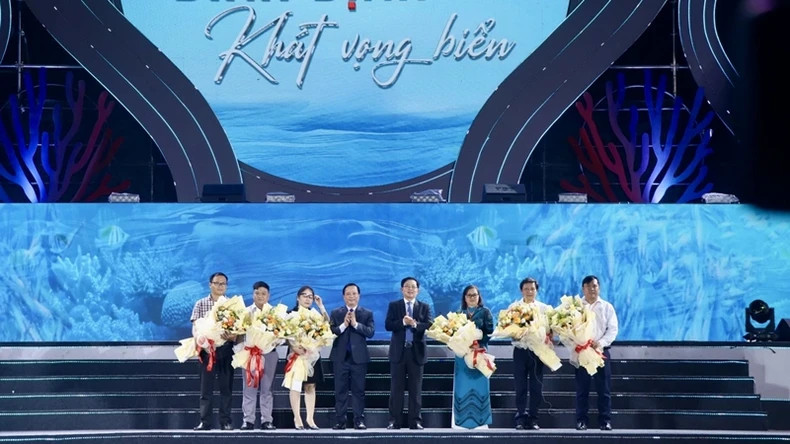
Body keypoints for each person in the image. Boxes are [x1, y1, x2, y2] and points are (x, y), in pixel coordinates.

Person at [385, 277, 433, 430]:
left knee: (415, 390)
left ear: (418, 290)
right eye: (407, 287)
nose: (410, 289)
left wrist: (414, 324)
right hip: (398, 352)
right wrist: (402, 322)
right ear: (402, 289)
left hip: (416, 352)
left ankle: (415, 421)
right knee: (396, 389)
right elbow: (388, 325)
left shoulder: (424, 307)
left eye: (413, 287)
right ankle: (394, 421)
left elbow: (430, 324)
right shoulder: (394, 306)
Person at [191, 272, 237, 431]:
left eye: (223, 284)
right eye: (217, 283)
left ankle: (225, 421)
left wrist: (232, 336)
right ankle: (205, 422)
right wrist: (201, 340)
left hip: (226, 349)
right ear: (210, 284)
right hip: (206, 350)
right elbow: (195, 327)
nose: (220, 286)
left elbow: (238, 328)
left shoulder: (232, 304)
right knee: (206, 389)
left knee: (226, 388)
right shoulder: (200, 303)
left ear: (226, 286)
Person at [575, 275, 619, 431]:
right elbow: (568, 329)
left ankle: (605, 421)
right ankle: (581, 421)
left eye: (594, 286)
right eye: (588, 286)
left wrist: (600, 343)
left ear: (598, 287)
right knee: (582, 389)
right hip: (582, 352)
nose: (591, 289)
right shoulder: (575, 307)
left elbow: (612, 330)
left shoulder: (607, 307)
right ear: (583, 289)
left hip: (601, 352)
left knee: (604, 389)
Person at [329, 283, 375, 430]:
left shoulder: (366, 313)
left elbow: (370, 332)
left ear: (359, 296)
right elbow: (331, 331)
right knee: (340, 391)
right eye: (348, 294)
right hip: (340, 358)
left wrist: (355, 324)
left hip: (359, 359)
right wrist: (343, 325)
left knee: (358, 391)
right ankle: (340, 421)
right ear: (343, 296)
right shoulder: (336, 312)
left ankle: (359, 421)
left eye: (354, 294)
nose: (351, 296)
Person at [287, 285, 329, 430]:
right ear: (298, 297)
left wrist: (321, 306)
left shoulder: (315, 314)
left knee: (310, 386)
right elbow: (284, 333)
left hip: (312, 354)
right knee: (296, 386)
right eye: (304, 295)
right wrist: (294, 347)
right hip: (296, 354)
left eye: (310, 296)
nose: (307, 299)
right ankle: (297, 418)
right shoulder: (290, 314)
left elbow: (326, 326)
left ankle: (310, 419)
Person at [452, 285, 494, 429]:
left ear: (479, 297)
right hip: (462, 354)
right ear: (464, 297)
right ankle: (461, 421)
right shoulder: (459, 313)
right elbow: (453, 333)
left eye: (474, 295)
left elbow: (490, 332)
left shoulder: (485, 312)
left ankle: (480, 421)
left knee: (480, 386)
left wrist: (479, 343)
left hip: (479, 353)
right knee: (462, 386)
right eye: (469, 295)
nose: (472, 298)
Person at [512, 277, 552, 430]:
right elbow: (506, 328)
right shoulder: (514, 307)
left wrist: (548, 338)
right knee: (520, 386)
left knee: (536, 387)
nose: (529, 291)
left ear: (537, 290)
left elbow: (550, 330)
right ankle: (520, 418)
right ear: (521, 290)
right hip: (520, 351)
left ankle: (533, 419)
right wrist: (516, 333)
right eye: (526, 289)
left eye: (532, 289)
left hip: (538, 352)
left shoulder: (545, 309)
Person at [239, 281, 278, 430]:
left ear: (268, 296)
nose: (260, 296)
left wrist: (276, 340)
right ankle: (248, 420)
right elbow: (239, 333)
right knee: (249, 387)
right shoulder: (246, 312)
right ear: (253, 294)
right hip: (250, 353)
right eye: (257, 293)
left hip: (269, 354)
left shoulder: (275, 313)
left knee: (267, 388)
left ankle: (266, 420)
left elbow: (282, 334)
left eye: (263, 293)